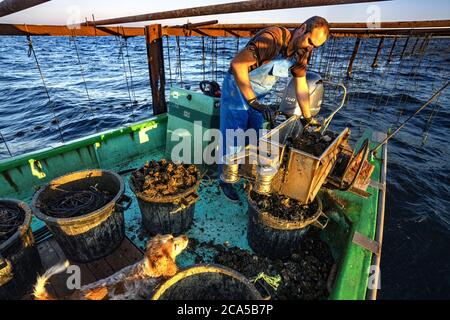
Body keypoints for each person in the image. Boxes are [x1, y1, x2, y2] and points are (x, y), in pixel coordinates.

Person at [219, 16, 330, 201]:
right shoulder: (272, 39)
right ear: (302, 28)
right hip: (237, 89)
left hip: (259, 94)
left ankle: (245, 174)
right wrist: (254, 102)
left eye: (315, 46)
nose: (310, 47)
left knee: (253, 137)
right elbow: (237, 65)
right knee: (233, 136)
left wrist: (308, 118)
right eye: (310, 41)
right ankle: (226, 181)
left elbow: (301, 87)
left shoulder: (302, 53)